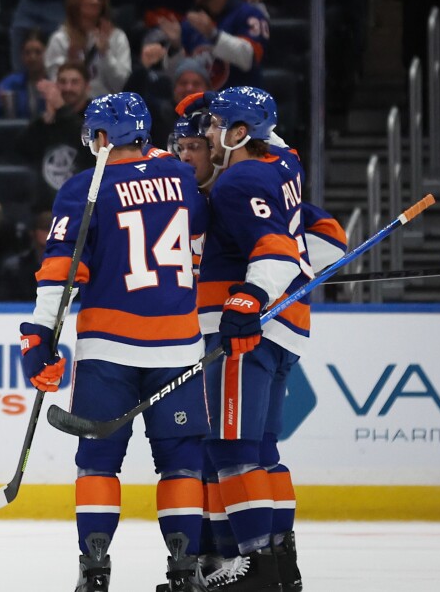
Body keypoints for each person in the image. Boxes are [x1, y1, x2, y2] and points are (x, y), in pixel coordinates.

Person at [17, 92, 210, 592]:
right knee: (182, 460)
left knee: (98, 460)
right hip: (179, 345)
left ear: (103, 137)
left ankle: (95, 568)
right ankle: (185, 570)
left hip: (109, 346)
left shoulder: (85, 187)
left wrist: (39, 336)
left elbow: (61, 273)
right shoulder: (184, 177)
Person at [191, 87, 340, 591]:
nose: (205, 134)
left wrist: (250, 295)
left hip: (249, 330)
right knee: (261, 450)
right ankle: (278, 565)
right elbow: (328, 240)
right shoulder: (283, 164)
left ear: (238, 134)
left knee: (233, 449)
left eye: (214, 125)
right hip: (287, 324)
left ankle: (255, 566)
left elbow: (273, 245)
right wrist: (295, 274)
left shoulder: (239, 181)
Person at [150, 0, 268, 91]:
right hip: (201, 108)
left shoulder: (250, 14)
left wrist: (213, 35)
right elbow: (177, 76)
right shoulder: (191, 23)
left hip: (240, 107)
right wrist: (176, 47)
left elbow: (248, 59)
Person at [44, 0, 131, 99]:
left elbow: (122, 85)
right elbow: (56, 85)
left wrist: (105, 54)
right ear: (75, 0)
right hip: (72, 111)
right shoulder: (60, 39)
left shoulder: (117, 37)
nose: (95, 1)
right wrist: (71, 62)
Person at [20, 60, 95, 203]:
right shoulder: (48, 120)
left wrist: (62, 109)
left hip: (85, 204)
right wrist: (44, 122)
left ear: (87, 88)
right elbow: (21, 151)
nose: (68, 88)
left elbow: (88, 144)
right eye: (62, 82)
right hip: (48, 203)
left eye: (74, 82)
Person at [0, 28, 49, 119]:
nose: (32, 58)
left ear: (47, 53)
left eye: (38, 52)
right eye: (27, 53)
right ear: (21, 56)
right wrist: (1, 105)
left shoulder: (55, 81)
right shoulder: (10, 83)